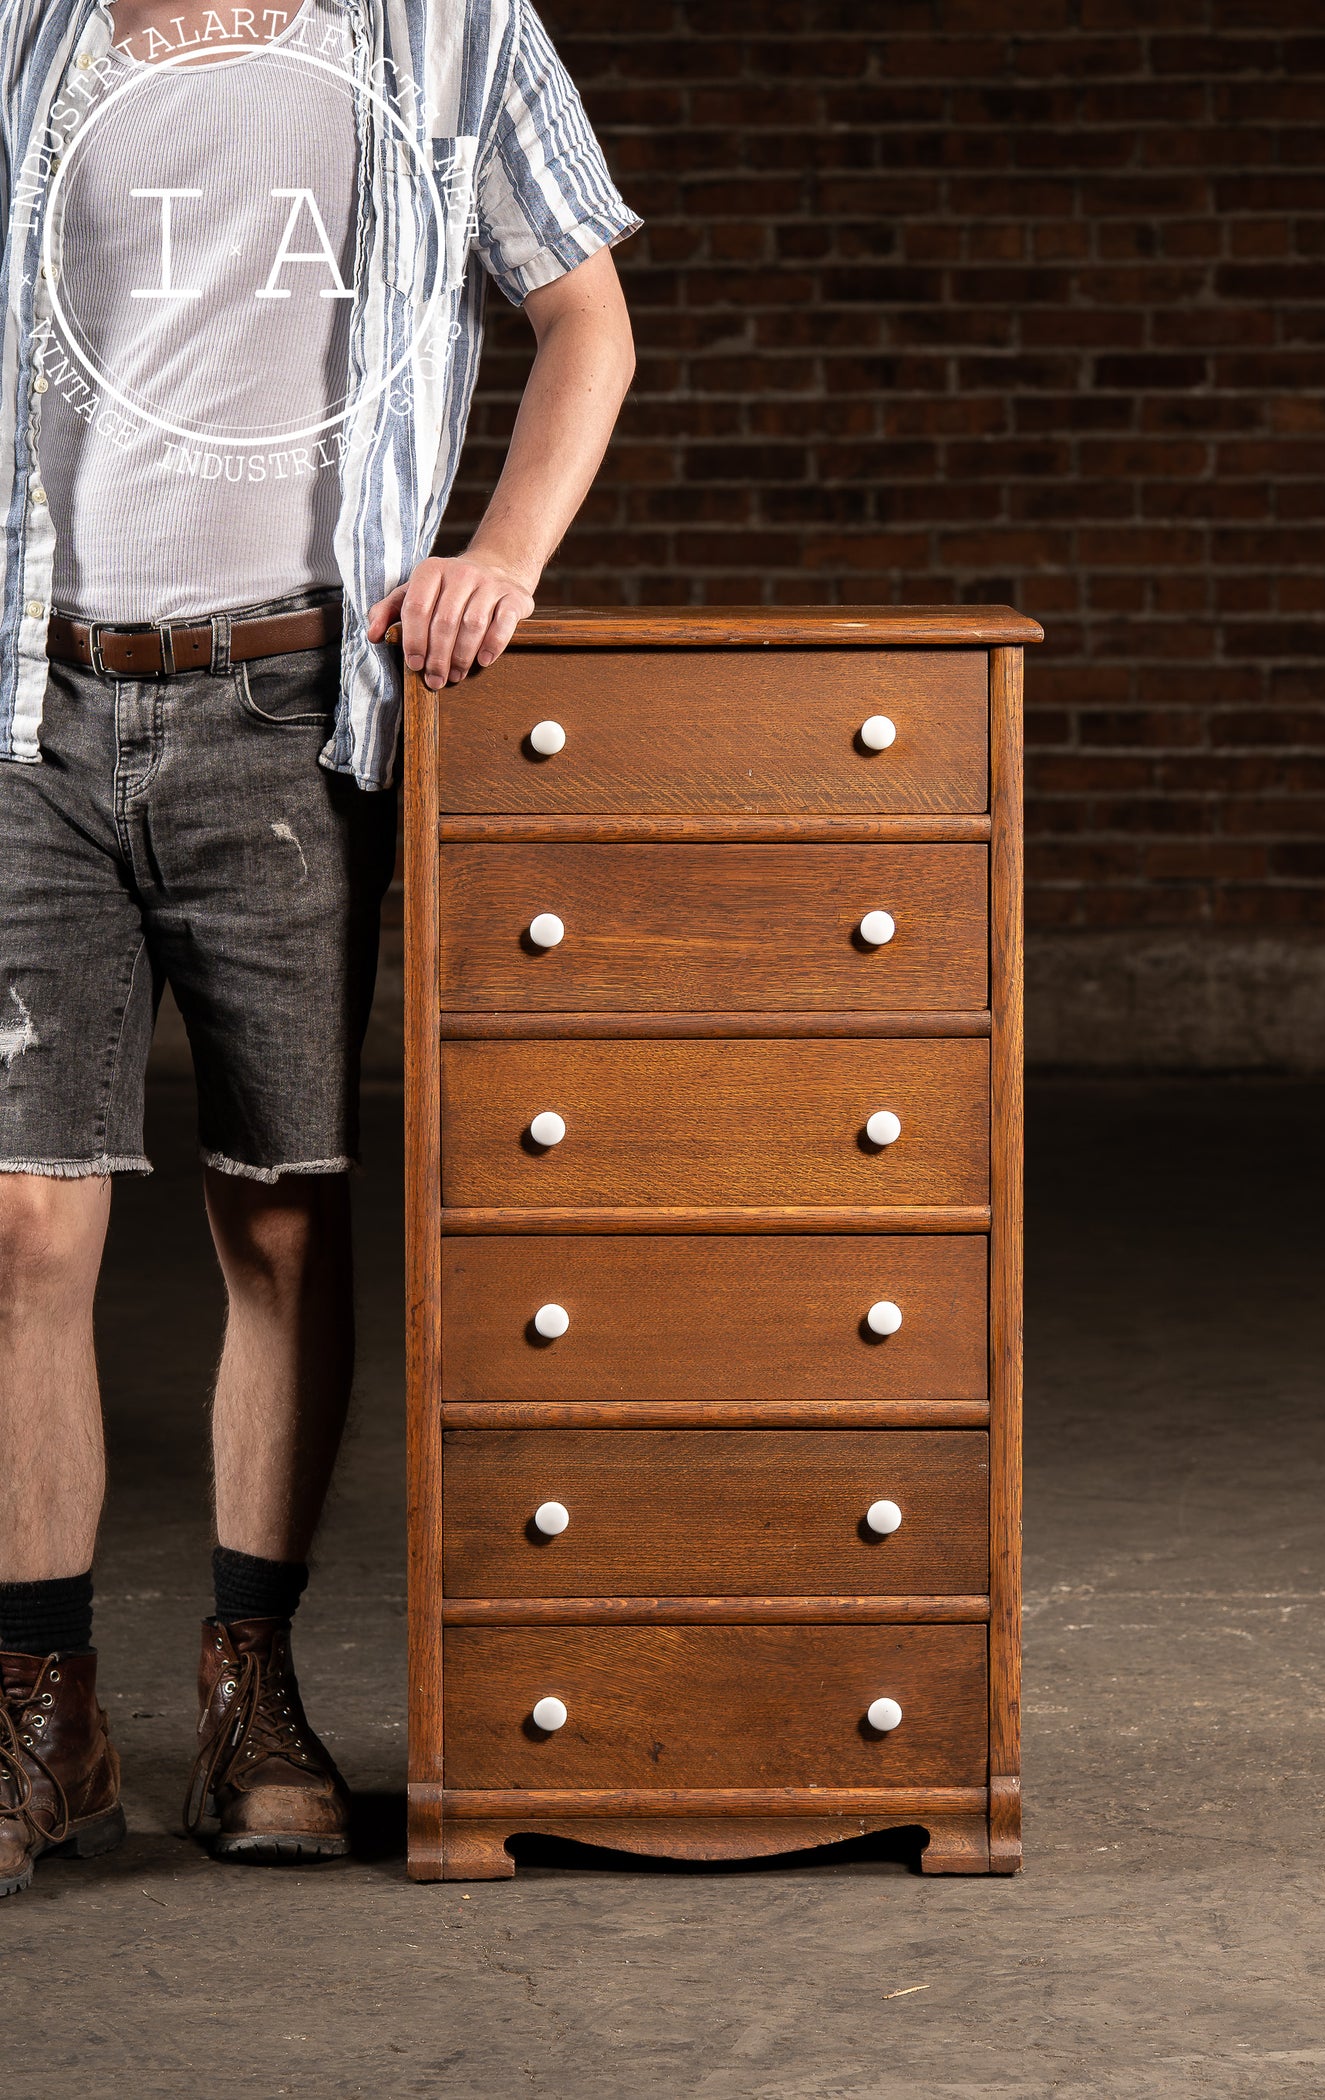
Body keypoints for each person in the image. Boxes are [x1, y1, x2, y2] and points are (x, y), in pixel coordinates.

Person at [0, 0, 639, 1896]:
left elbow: (587, 312)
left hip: (282, 709)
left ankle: (248, 1684)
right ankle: (42, 1699)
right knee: (25, 1220)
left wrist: (503, 557)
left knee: (278, 1209)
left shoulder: (446, 32)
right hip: (34, 711)